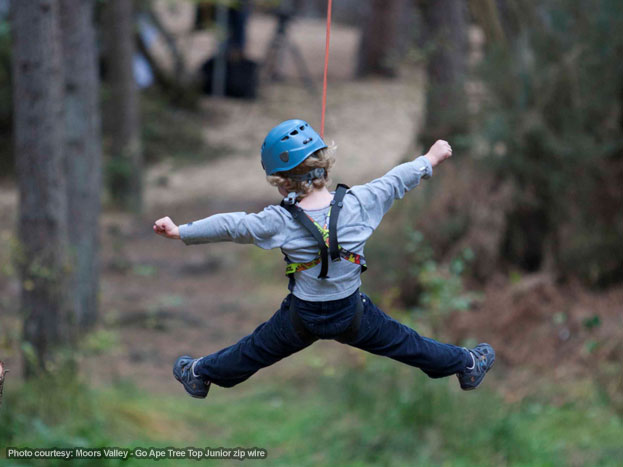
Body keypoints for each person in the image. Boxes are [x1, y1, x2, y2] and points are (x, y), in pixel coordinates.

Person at [153, 119, 495, 399]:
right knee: (408, 343)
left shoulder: (278, 220)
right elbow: (397, 180)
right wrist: (431, 159)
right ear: (324, 169)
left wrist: (181, 231)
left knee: (252, 351)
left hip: (302, 317)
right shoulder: (361, 201)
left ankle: (198, 374)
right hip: (351, 313)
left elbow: (232, 225)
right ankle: (466, 364)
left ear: (283, 183)